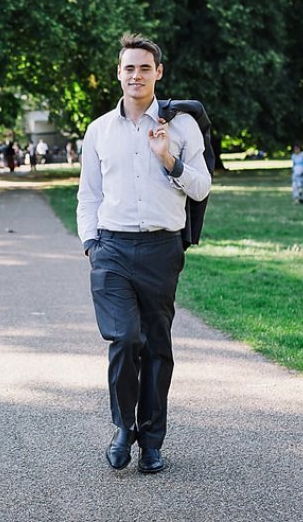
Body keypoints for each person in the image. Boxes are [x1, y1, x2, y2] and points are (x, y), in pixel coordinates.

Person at [76, 33, 211, 474]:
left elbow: (202, 186)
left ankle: (151, 441)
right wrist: (91, 245)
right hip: (111, 248)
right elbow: (88, 196)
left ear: (158, 73)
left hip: (160, 249)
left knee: (156, 346)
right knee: (124, 339)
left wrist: (168, 158)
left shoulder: (182, 126)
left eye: (144, 68)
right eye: (129, 68)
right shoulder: (98, 130)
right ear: (118, 73)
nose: (136, 75)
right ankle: (122, 429)